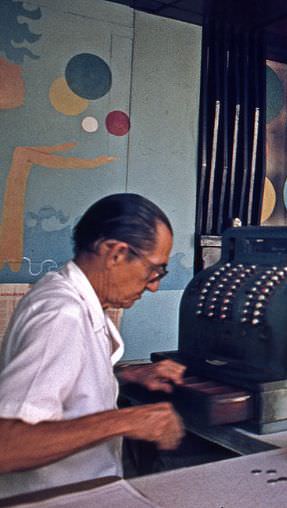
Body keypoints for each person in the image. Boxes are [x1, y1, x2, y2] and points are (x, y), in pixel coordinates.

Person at [0, 193, 185, 498]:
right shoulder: (62, 314)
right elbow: (7, 446)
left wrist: (125, 376)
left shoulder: (71, 296)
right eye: (154, 270)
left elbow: (64, 385)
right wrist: (128, 420)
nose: (154, 285)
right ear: (115, 253)